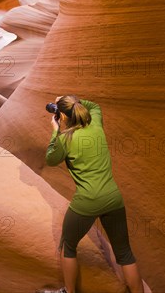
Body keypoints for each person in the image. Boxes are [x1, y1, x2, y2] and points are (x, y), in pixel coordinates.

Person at [35, 95, 144, 293]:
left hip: (87, 201)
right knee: (124, 253)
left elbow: (51, 158)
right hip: (113, 198)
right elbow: (94, 105)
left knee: (68, 245)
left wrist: (56, 130)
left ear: (62, 116)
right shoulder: (96, 123)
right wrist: (68, 100)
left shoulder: (65, 139)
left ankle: (69, 291)